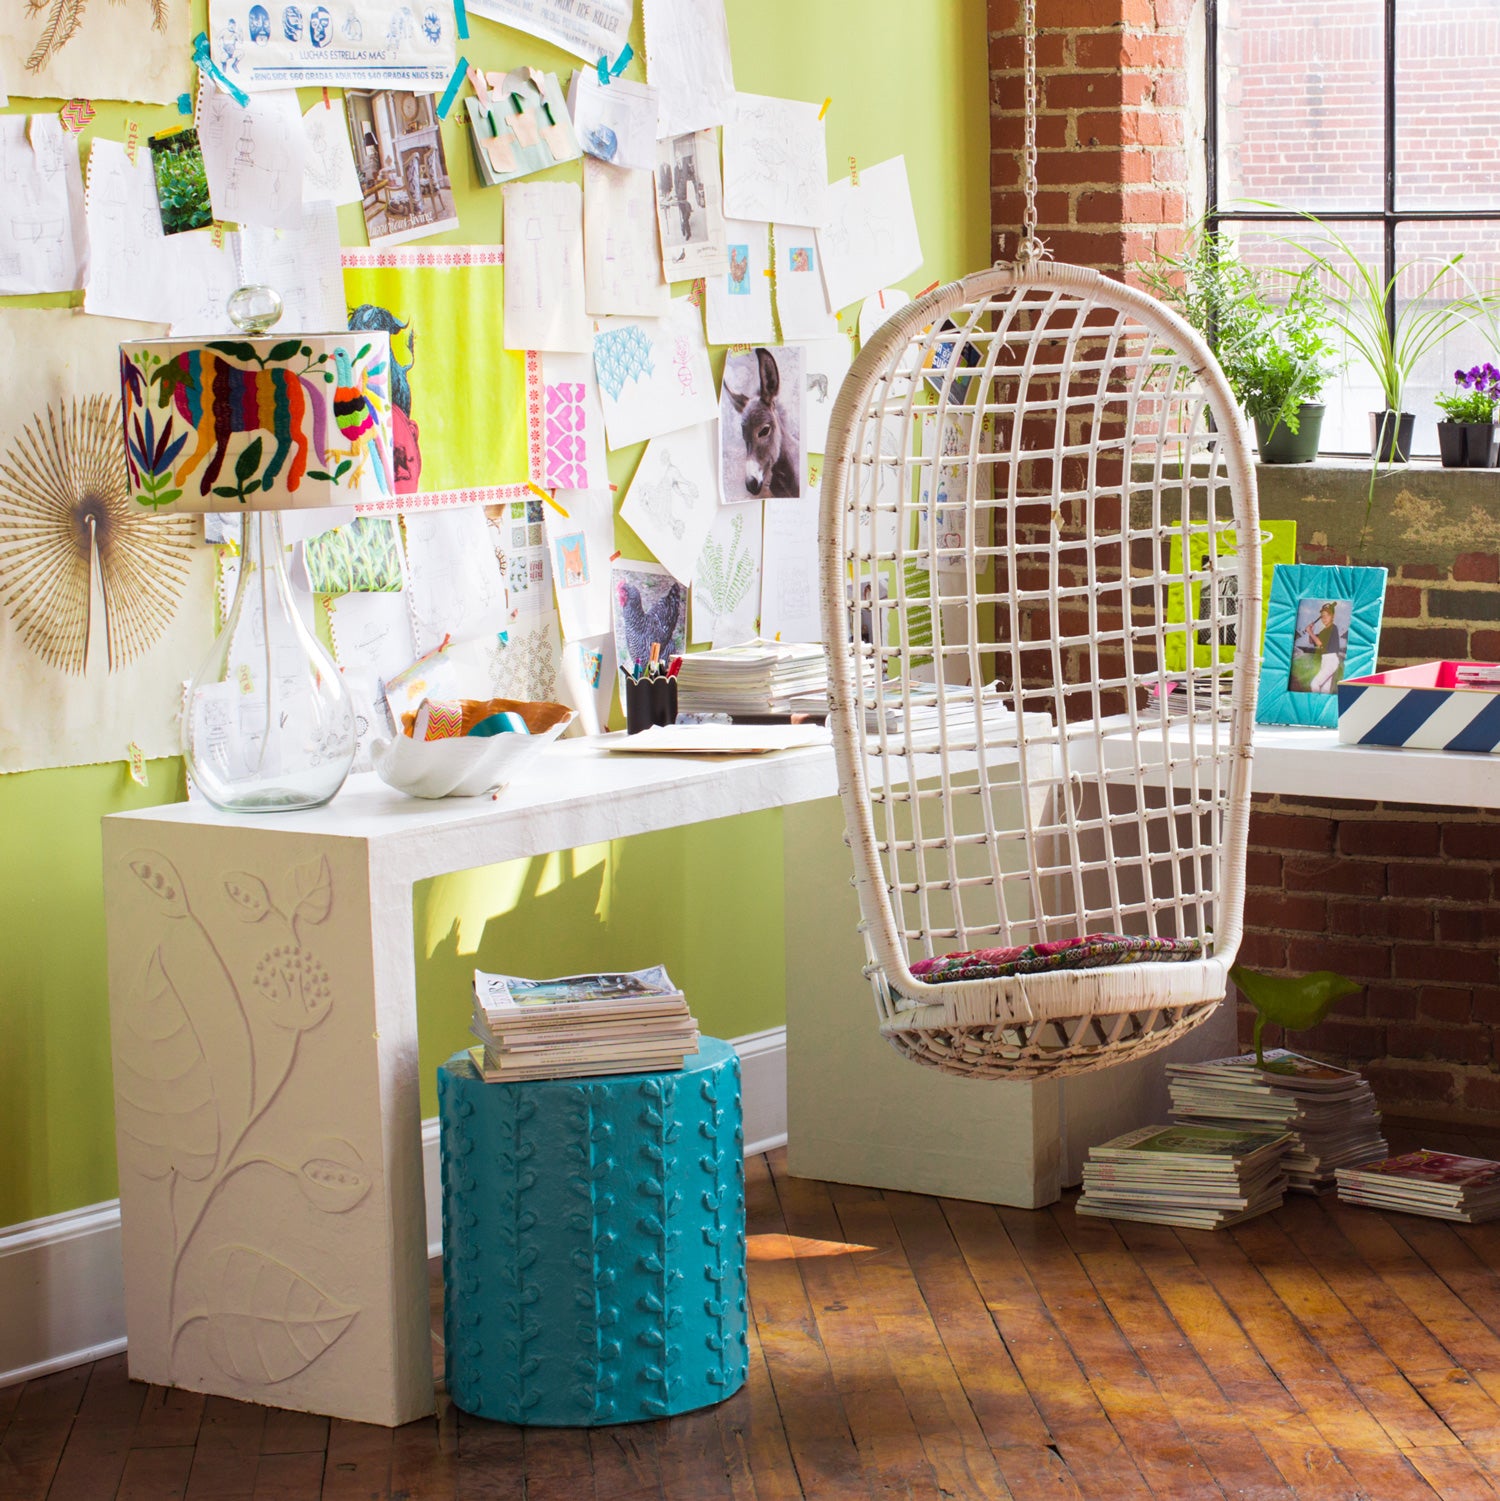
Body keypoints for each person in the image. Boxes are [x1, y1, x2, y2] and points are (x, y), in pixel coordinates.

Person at [1303, 601, 1343, 693]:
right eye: (1322, 615)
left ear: (1333, 616)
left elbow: (1319, 643)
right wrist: (1311, 631)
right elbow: (1312, 641)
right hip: (1325, 660)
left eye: (1327, 615)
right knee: (1325, 689)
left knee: (1314, 684)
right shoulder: (1323, 631)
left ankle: (1315, 702)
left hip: (1331, 660)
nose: (1324, 618)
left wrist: (1310, 632)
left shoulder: (1333, 628)